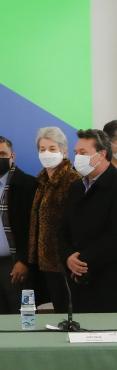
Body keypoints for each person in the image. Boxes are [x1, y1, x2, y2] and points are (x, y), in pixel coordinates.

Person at [0, 136, 37, 314]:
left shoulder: (28, 185)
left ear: (13, 156)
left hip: (17, 265)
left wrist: (24, 260)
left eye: (3, 153)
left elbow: (34, 228)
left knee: (23, 317)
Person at [59, 129, 117, 313]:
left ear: (102, 154)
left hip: (108, 280)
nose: (78, 158)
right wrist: (68, 257)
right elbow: (62, 228)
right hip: (77, 279)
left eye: (83, 153)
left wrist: (82, 263)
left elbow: (113, 236)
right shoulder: (76, 187)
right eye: (76, 153)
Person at [29, 127, 82, 312]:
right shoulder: (41, 181)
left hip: (65, 262)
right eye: (42, 149)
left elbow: (78, 224)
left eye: (52, 148)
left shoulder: (73, 180)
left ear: (64, 152)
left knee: (70, 312)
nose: (46, 153)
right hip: (44, 263)